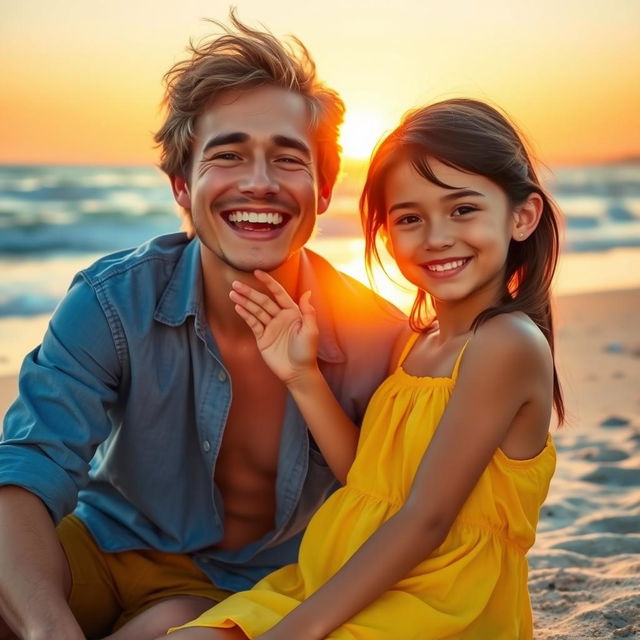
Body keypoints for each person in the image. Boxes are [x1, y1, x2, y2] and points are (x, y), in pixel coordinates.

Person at [0, 12, 405, 640]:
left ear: (324, 190)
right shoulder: (111, 303)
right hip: (103, 544)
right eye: (228, 154)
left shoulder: (377, 338)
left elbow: (397, 511)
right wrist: (48, 628)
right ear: (182, 187)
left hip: (244, 589)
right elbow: (28, 466)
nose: (259, 182)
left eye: (288, 158)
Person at [168, 98, 565, 640]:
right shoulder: (416, 343)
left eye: (463, 209)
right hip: (346, 578)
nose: (436, 237)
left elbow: (426, 519)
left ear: (522, 216)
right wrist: (301, 376)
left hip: (438, 603)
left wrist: (296, 632)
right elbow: (370, 480)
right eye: (409, 218)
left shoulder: (507, 344)